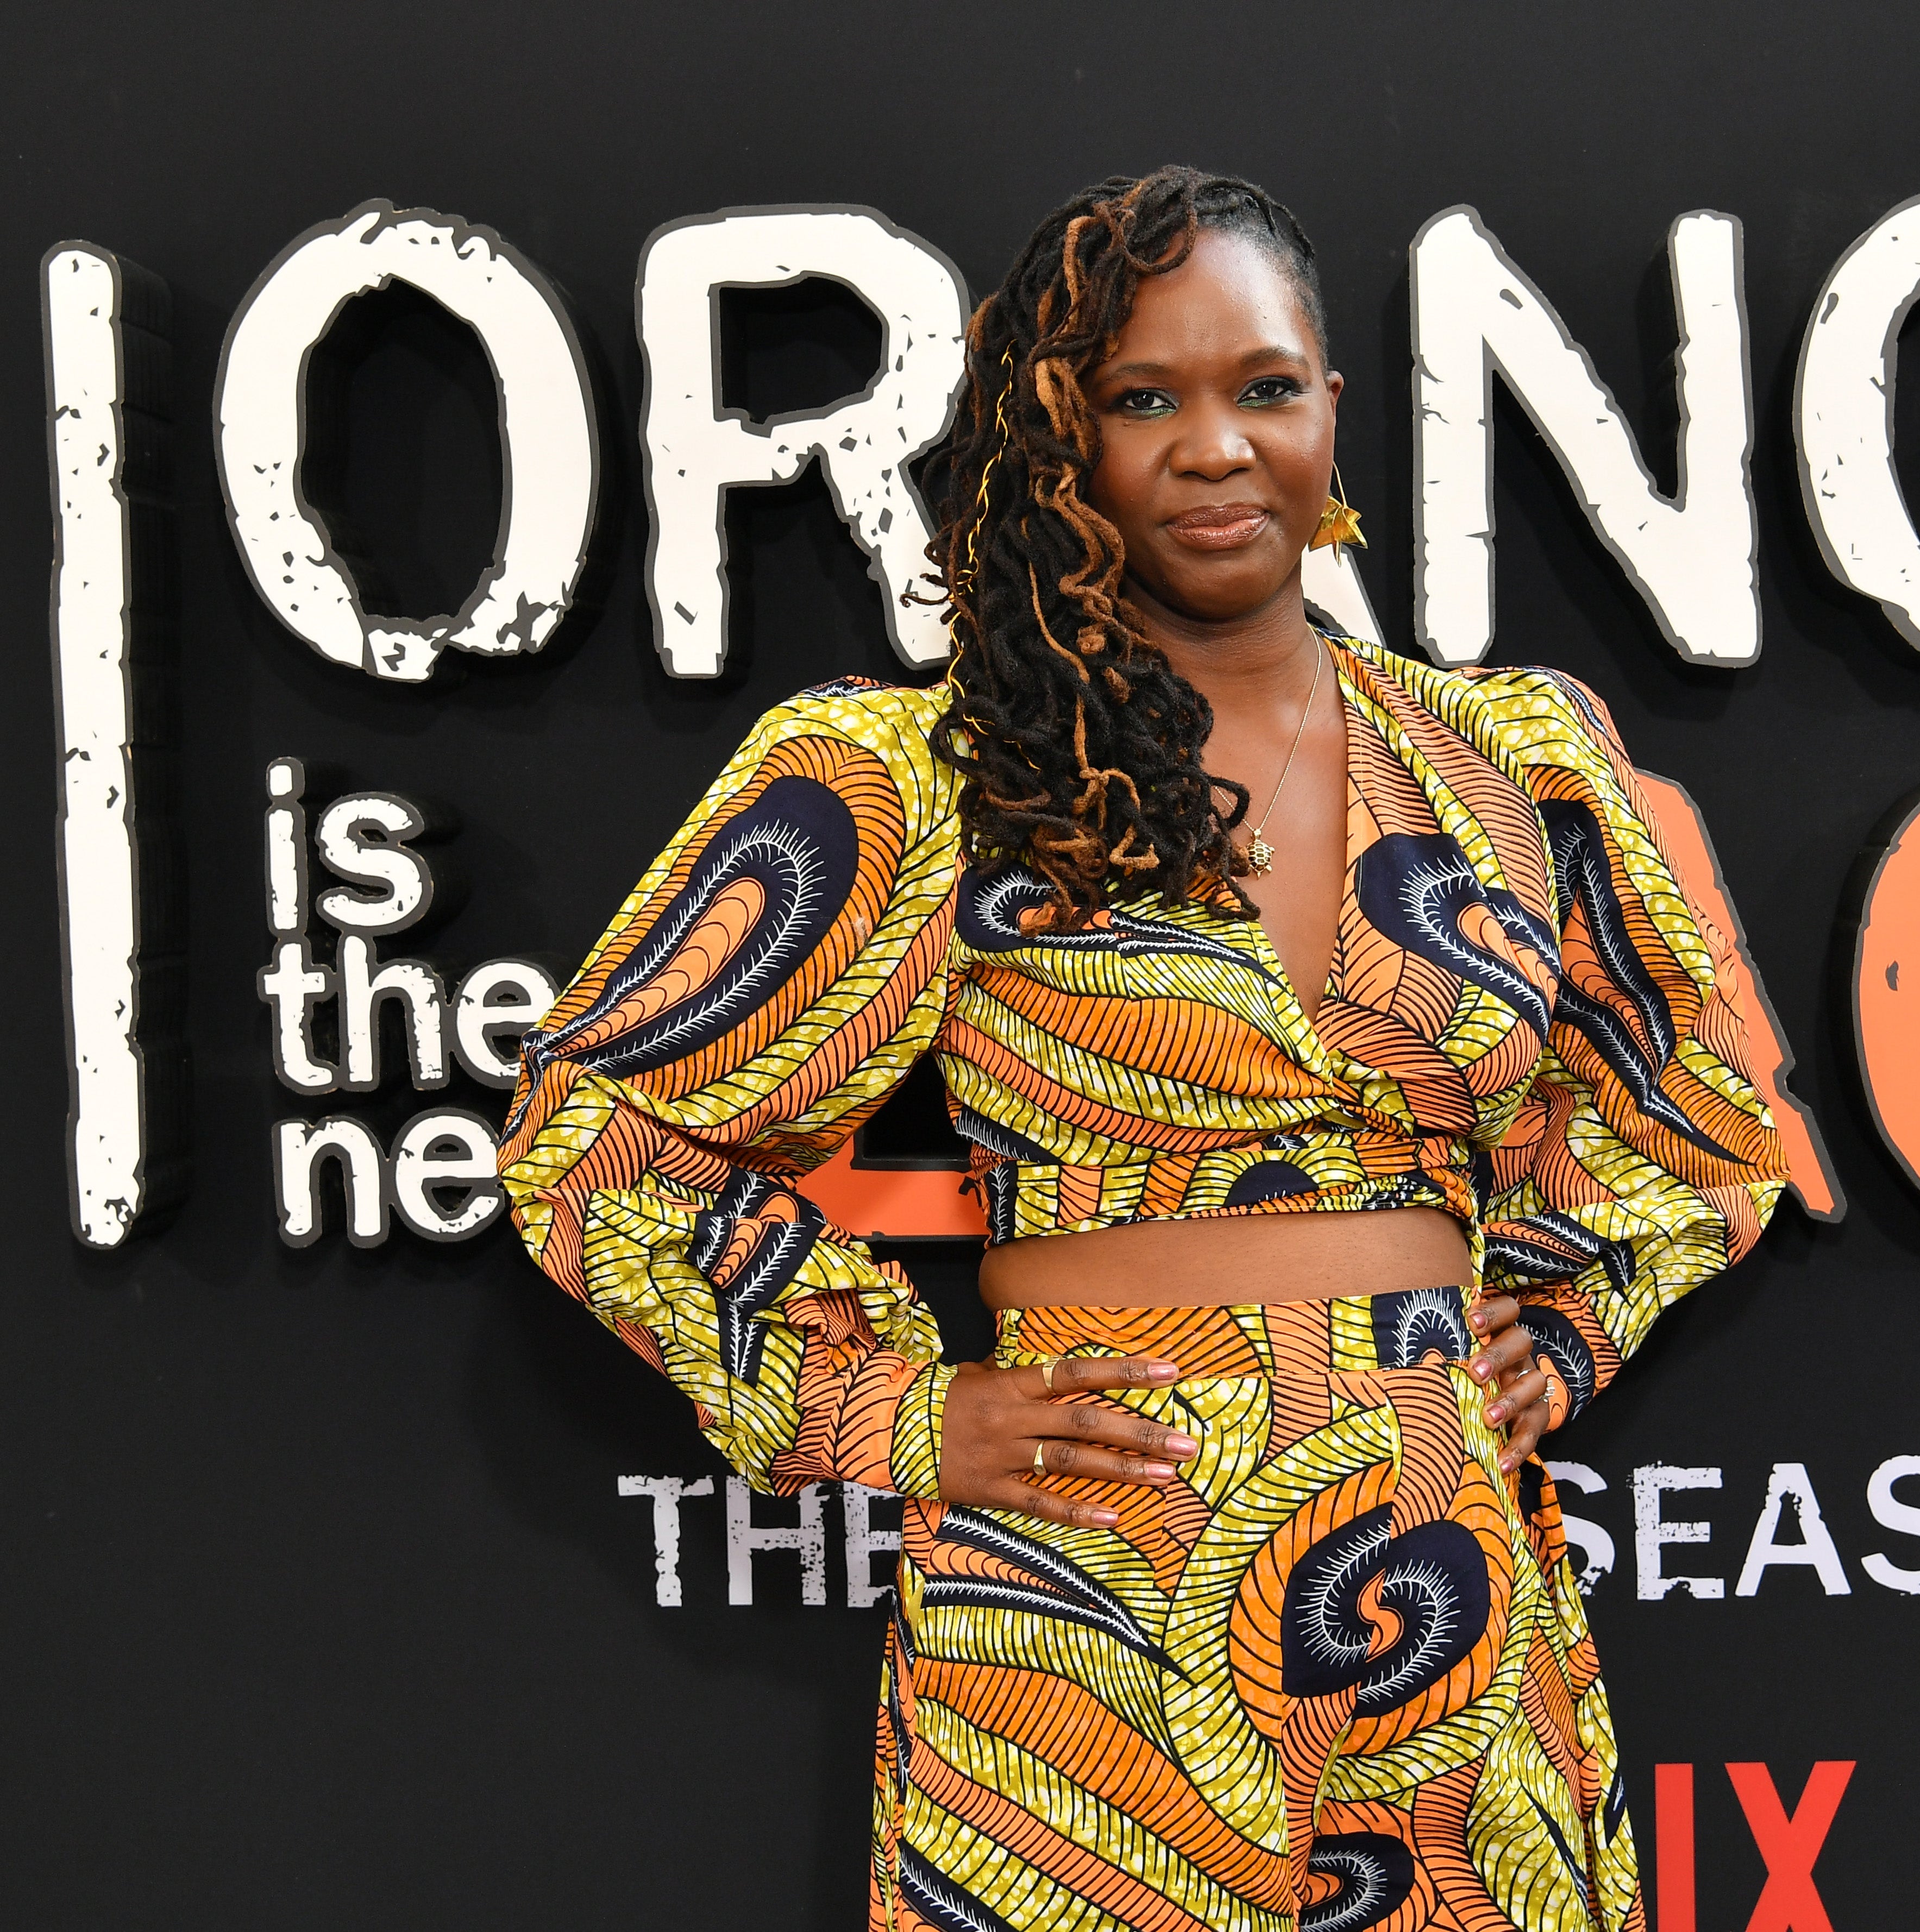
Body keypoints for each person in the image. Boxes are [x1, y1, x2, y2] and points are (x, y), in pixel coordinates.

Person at [499, 165, 1787, 1932]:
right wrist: (894, 1408)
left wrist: (1565, 1319)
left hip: (1454, 1597)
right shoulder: (924, 780)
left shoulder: (1512, 761)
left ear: (1332, 410)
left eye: (1264, 387)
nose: (1215, 447)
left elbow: (1691, 1102)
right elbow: (597, 1133)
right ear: (1060, 445)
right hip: (1097, 1598)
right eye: (1142, 399)